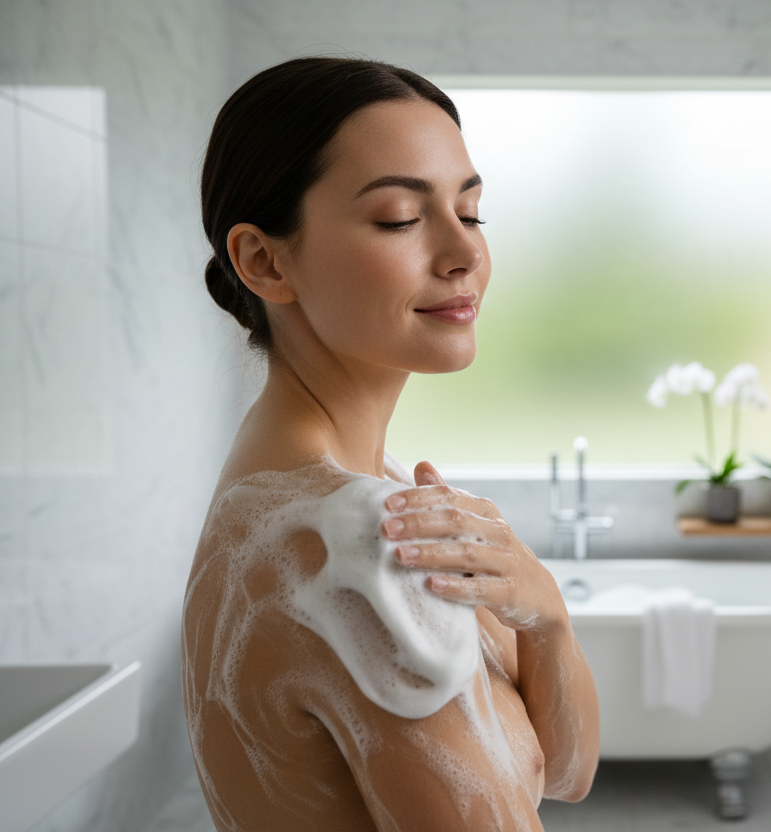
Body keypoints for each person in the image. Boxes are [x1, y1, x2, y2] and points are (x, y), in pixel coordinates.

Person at [181, 56, 599, 832]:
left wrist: (547, 617)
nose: (465, 253)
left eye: (471, 213)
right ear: (264, 261)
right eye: (402, 218)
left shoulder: (299, 487)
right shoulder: (355, 543)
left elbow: (566, 773)